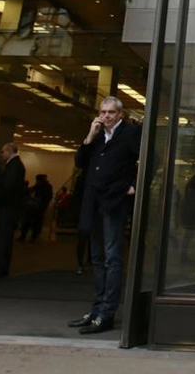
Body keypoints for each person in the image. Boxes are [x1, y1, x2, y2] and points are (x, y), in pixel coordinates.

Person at [68, 96, 142, 334]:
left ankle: (107, 312)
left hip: (114, 201)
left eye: (111, 112)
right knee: (97, 258)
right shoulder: (97, 135)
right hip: (93, 202)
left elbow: (152, 160)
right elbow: (80, 161)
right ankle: (96, 308)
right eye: (103, 112)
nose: (107, 116)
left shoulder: (130, 133)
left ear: (120, 114)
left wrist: (134, 185)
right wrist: (90, 135)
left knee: (112, 258)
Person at [0, 142, 26, 277]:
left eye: (3, 151)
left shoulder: (13, 166)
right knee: (5, 240)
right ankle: (1, 268)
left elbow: (7, 187)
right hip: (10, 208)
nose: (1, 154)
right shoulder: (16, 166)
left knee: (1, 239)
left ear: (10, 151)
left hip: (5, 208)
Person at [19, 173, 53, 243]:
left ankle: (24, 235)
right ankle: (33, 236)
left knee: (27, 222)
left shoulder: (38, 187)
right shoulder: (46, 187)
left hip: (33, 207)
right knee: (36, 222)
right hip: (39, 207)